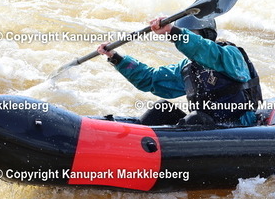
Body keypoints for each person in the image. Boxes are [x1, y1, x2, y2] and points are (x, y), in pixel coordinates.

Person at [97, 15, 263, 127]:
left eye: (190, 34)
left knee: (196, 119)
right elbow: (150, 79)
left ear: (207, 34)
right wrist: (116, 58)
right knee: (161, 108)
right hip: (203, 127)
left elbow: (205, 51)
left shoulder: (230, 55)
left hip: (239, 127)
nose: (185, 37)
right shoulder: (187, 68)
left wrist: (173, 32)